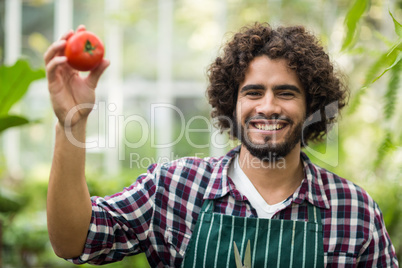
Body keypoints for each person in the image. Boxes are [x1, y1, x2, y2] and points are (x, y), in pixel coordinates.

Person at [44, 23, 399, 267]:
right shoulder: (174, 187)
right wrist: (70, 123)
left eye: (286, 93)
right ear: (233, 104)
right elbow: (73, 240)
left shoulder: (354, 211)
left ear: (313, 107)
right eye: (254, 92)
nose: (268, 106)